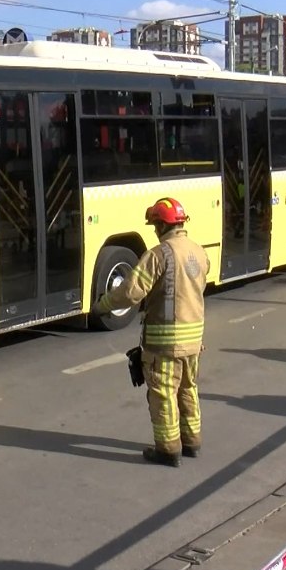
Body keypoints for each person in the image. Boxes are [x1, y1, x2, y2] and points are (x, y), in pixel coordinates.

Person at [94, 198, 209, 468]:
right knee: (188, 389)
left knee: (163, 394)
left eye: (155, 224)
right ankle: (192, 442)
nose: (154, 230)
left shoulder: (160, 255)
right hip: (194, 340)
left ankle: (168, 449)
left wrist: (103, 305)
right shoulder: (198, 252)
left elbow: (132, 291)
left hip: (165, 342)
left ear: (161, 224)